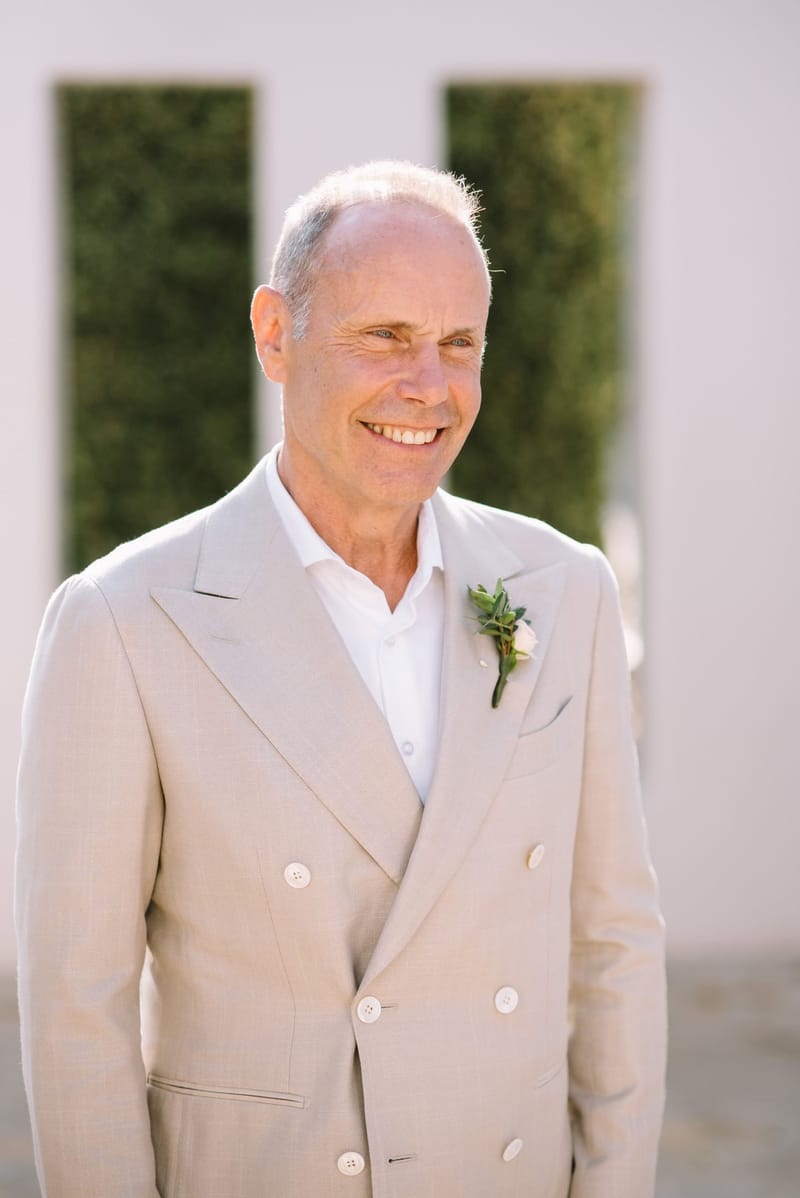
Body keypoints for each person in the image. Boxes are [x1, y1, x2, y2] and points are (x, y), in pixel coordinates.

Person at [16, 160, 666, 1198]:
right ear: (275, 333)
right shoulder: (123, 622)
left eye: (459, 345)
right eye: (386, 338)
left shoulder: (564, 591)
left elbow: (614, 944)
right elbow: (75, 1007)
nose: (429, 386)